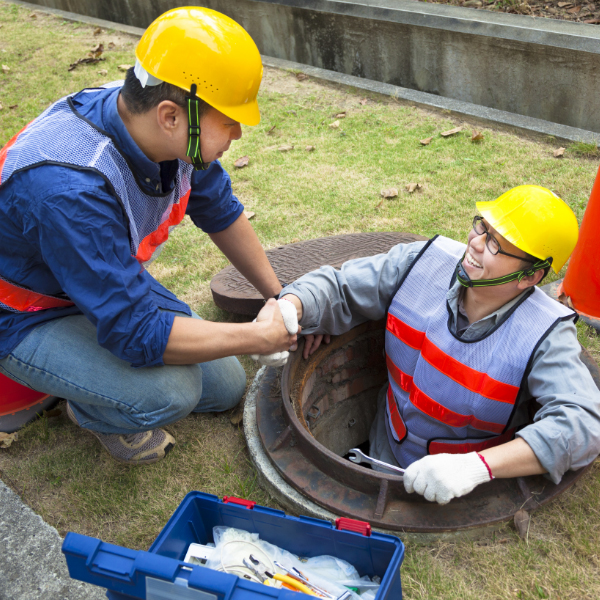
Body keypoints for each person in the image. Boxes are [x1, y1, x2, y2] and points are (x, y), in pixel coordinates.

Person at [0, 8, 298, 465]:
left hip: (92, 283)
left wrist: (277, 296)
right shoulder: (68, 189)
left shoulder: (162, 131)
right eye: (229, 121)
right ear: (170, 116)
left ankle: (92, 377)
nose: (239, 132)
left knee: (224, 386)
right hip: (24, 313)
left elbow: (219, 210)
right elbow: (137, 331)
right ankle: (91, 408)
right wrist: (258, 339)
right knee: (170, 393)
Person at [279, 186, 600, 504]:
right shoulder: (423, 262)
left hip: (460, 491)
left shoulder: (543, 335)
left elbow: (583, 423)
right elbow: (338, 285)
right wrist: (289, 309)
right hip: (383, 449)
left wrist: (477, 468)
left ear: (530, 276)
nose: (474, 243)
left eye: (495, 245)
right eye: (482, 227)